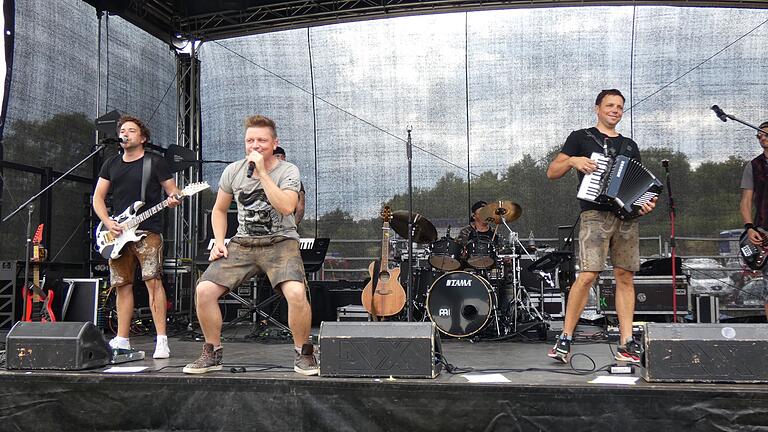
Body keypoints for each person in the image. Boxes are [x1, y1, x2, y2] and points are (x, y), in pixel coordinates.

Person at [183, 115, 318, 375]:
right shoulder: (233, 171)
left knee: (296, 293)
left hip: (281, 242)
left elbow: (287, 206)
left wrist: (263, 173)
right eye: (250, 140)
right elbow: (219, 210)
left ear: (274, 143)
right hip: (243, 243)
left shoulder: (288, 171)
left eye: (262, 141)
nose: (255, 145)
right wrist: (220, 242)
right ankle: (212, 352)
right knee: (204, 290)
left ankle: (303, 353)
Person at [545, 89, 656, 364]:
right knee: (588, 275)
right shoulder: (581, 137)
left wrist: (645, 203)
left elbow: (638, 186)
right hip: (595, 214)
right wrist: (572, 160)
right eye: (610, 105)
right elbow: (552, 172)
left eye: (619, 106)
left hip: (626, 219)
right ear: (597, 108)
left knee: (625, 276)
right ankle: (565, 338)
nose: (615, 110)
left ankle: (627, 341)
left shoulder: (630, 145)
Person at [93, 115, 182, 359]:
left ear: (142, 138)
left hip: (147, 230)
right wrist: (107, 221)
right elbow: (98, 197)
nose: (125, 133)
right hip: (118, 233)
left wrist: (175, 198)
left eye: (131, 130)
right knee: (122, 285)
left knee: (153, 281)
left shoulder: (155, 162)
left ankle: (161, 340)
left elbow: (172, 191)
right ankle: (121, 339)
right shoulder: (111, 163)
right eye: (123, 130)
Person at [739, 121, 768, 320]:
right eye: (759, 136)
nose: (762, 138)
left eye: (765, 134)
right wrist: (749, 227)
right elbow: (746, 201)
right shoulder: (753, 165)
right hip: (764, 230)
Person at [274, 146, 305, 225]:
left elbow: (300, 207)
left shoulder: (293, 177)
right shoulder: (266, 178)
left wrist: (293, 226)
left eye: (280, 156)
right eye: (275, 156)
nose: (279, 159)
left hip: (287, 228)